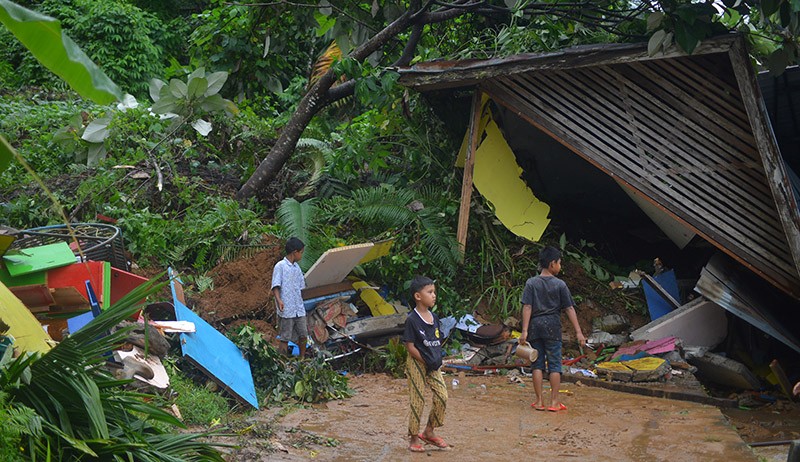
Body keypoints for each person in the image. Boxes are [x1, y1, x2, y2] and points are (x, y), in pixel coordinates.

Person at [520, 246, 586, 412]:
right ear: (552, 264)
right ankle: (554, 402)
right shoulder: (560, 285)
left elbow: (527, 307)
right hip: (553, 326)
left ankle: (539, 401)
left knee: (537, 364)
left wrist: (524, 331)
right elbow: (569, 309)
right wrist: (578, 332)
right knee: (555, 365)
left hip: (535, 326)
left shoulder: (531, 283)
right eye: (559, 263)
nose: (560, 266)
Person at [403, 276, 449, 453]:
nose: (434, 295)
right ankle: (414, 437)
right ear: (418, 296)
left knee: (442, 396)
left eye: (434, 292)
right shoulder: (412, 320)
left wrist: (435, 359)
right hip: (417, 362)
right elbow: (409, 346)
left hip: (433, 363)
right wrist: (425, 359)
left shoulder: (434, 317)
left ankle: (429, 431)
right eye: (429, 292)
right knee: (417, 400)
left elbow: (437, 340)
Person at [271, 237, 307, 357]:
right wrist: (279, 300)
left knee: (303, 335)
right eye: (301, 253)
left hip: (298, 308)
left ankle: (302, 359)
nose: (301, 256)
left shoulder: (297, 268)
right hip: (286, 308)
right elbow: (275, 286)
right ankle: (282, 361)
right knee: (285, 337)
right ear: (294, 252)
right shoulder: (280, 266)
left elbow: (301, 287)